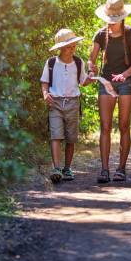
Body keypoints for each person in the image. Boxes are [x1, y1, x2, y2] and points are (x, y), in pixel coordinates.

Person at [88, 0, 131, 183]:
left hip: (126, 82)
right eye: (111, 19)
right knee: (105, 126)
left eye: (116, 19)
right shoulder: (100, 35)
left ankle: (121, 168)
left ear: (122, 17)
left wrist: (124, 75)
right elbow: (91, 59)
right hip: (106, 82)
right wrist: (90, 68)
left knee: (124, 125)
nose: (113, 22)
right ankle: (104, 169)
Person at [40, 29, 94, 183]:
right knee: (55, 136)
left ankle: (67, 168)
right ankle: (56, 168)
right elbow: (44, 82)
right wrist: (45, 94)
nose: (73, 48)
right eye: (69, 46)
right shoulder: (51, 63)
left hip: (73, 103)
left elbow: (83, 82)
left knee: (71, 138)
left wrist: (91, 78)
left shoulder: (78, 62)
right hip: (55, 102)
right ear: (61, 48)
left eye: (74, 45)